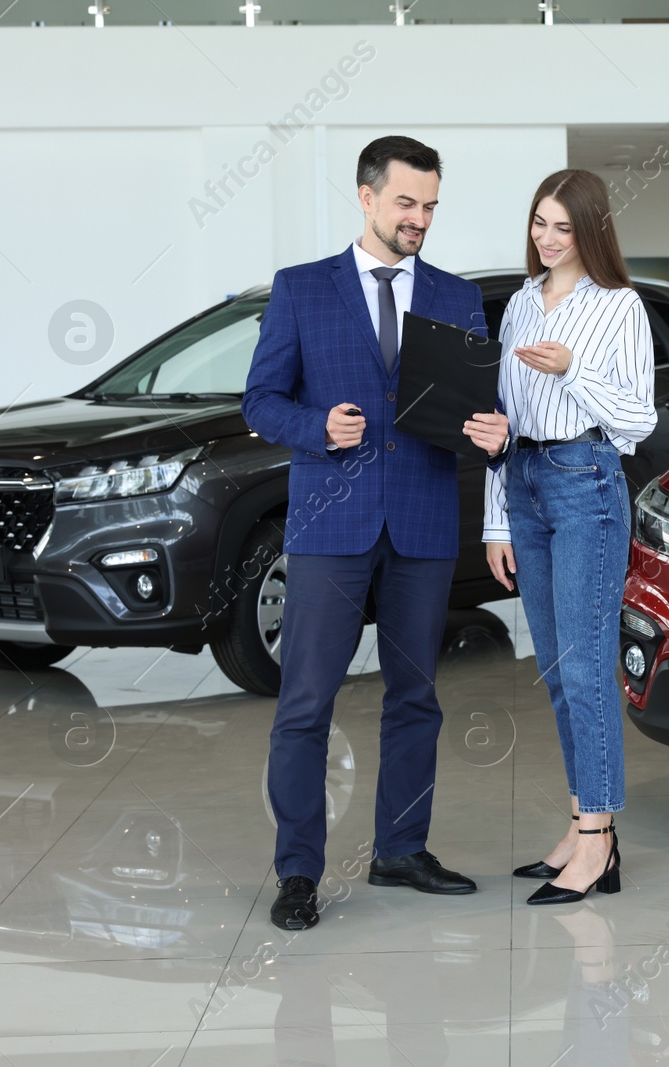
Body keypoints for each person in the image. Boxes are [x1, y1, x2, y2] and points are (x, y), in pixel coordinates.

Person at [244, 136, 485, 931]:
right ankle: (298, 871)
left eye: (430, 206)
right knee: (306, 702)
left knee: (416, 697)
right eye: (406, 203)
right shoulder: (302, 289)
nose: (419, 219)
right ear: (367, 197)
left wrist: (487, 428)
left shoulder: (456, 298)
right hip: (329, 524)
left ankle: (401, 849)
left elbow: (467, 409)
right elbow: (260, 402)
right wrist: (318, 425)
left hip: (421, 521)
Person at [463, 169, 656, 906]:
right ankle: (581, 826)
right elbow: (504, 418)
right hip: (525, 481)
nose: (546, 239)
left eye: (562, 227)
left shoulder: (619, 307)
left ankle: (599, 838)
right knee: (552, 672)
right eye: (539, 223)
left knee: (584, 670)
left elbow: (637, 423)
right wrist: (495, 518)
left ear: (591, 232)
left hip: (586, 480)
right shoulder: (517, 304)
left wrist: (574, 370)